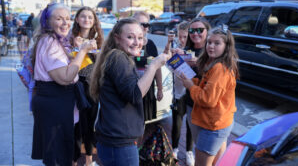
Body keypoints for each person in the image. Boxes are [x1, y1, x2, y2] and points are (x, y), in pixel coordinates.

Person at [89, 18, 170, 166]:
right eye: (130, 37)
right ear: (117, 39)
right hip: (119, 142)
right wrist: (153, 66)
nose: (136, 42)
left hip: (115, 139)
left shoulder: (119, 56)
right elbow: (135, 94)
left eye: (140, 38)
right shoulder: (118, 57)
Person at [31, 3, 97, 165]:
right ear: (48, 22)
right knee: (58, 156)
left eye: (67, 18)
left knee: (61, 153)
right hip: (55, 104)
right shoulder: (50, 42)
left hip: (58, 103)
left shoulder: (55, 40)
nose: (65, 23)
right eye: (59, 19)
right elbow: (65, 77)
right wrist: (82, 51)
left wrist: (74, 49)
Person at [180, 25, 239, 166]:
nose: (211, 46)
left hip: (213, 126)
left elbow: (207, 100)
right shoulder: (216, 63)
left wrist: (190, 86)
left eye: (217, 43)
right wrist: (193, 81)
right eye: (209, 42)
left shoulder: (219, 68)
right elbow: (207, 86)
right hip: (219, 122)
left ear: (227, 46)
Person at [71, 6, 103, 166]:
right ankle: (74, 160)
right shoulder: (69, 39)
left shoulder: (97, 40)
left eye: (90, 17)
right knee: (76, 125)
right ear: (77, 19)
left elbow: (100, 67)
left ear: (94, 21)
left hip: (92, 87)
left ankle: (89, 161)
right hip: (75, 86)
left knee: (90, 125)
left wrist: (95, 51)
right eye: (83, 17)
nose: (87, 20)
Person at [164, 21, 195, 166]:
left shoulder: (193, 49)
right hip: (178, 92)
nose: (182, 40)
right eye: (180, 37)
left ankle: (189, 151)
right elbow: (165, 58)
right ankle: (175, 149)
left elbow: (196, 60)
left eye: (185, 37)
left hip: (192, 92)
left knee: (190, 123)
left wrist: (186, 54)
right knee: (177, 123)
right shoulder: (175, 48)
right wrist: (169, 45)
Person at [132, 11, 163, 121]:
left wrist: (160, 88)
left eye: (146, 25)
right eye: (141, 24)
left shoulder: (150, 44)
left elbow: (157, 67)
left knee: (144, 123)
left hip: (147, 89)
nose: (144, 27)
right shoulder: (127, 44)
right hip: (131, 89)